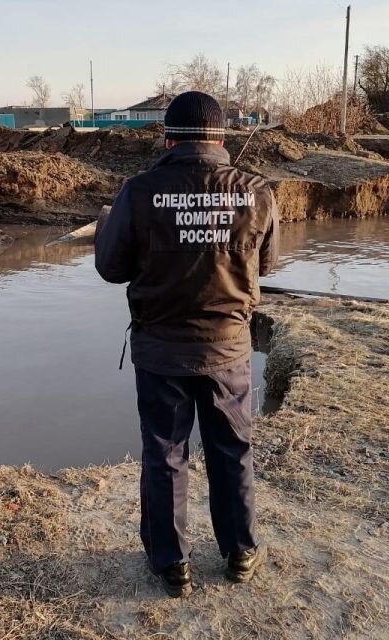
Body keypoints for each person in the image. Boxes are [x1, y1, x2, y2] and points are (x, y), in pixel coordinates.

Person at [94, 91, 279, 598]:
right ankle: (240, 551)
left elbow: (111, 268)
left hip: (161, 351)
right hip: (228, 349)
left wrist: (107, 225)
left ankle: (170, 561)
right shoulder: (257, 191)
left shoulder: (139, 191)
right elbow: (264, 266)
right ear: (222, 137)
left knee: (165, 453)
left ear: (167, 137)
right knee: (232, 449)